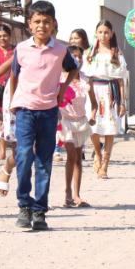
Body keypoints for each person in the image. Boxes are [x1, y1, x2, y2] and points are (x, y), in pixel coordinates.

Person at [0, 0, 78, 231]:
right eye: (37, 21)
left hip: (48, 112)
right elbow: (15, 76)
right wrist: (14, 102)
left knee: (43, 162)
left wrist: (61, 92)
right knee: (23, 156)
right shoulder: (21, 49)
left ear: (54, 24)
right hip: (25, 111)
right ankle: (24, 205)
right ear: (30, 24)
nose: (42, 26)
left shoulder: (60, 50)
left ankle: (39, 211)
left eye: (47, 22)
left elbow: (73, 69)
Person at [84, 20, 127, 179]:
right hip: (93, 92)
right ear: (96, 33)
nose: (103, 35)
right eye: (100, 32)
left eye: (106, 32)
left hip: (110, 93)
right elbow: (85, 76)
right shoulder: (89, 53)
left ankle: (105, 165)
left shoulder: (116, 53)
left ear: (111, 34)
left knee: (109, 128)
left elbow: (121, 80)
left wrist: (123, 102)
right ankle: (97, 152)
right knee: (93, 128)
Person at [59, 43, 91, 207]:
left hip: (81, 121)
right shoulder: (60, 77)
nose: (77, 59)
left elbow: (92, 97)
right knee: (70, 154)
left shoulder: (85, 78)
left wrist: (93, 113)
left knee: (78, 158)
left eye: (80, 56)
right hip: (65, 121)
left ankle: (77, 194)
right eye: (74, 56)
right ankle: (67, 192)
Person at [0, 23, 16, 187]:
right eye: (0, 36)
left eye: (5, 36)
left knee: (9, 118)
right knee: (0, 119)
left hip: (12, 88)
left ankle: (11, 149)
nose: (3, 38)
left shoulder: (15, 51)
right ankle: (2, 150)